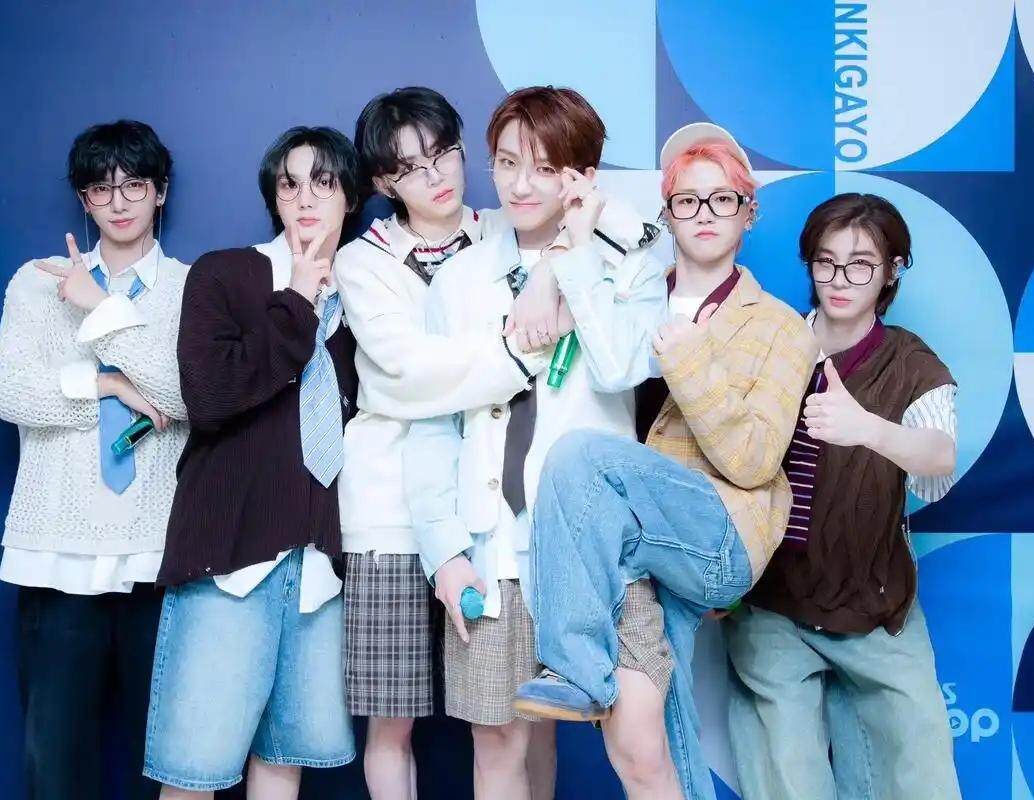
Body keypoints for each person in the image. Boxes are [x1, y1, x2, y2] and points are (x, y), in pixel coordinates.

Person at [335, 86, 654, 800]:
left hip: (592, 542)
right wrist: (445, 550)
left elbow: (625, 343)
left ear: (579, 176)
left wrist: (562, 263)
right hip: (487, 540)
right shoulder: (455, 274)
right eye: (506, 163)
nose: (520, 182)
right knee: (497, 738)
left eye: (542, 166)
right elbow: (429, 417)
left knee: (634, 745)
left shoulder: (617, 248)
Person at [513, 122, 817, 800]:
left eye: (722, 199)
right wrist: (553, 269)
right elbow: (602, 366)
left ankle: (573, 667)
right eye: (687, 200)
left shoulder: (781, 327)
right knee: (645, 744)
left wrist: (688, 356)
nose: (704, 213)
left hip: (719, 533)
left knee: (580, 453)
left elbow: (753, 459)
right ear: (668, 214)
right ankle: (589, 675)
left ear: (748, 213)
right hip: (636, 546)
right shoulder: (636, 291)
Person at [141, 127, 361, 799]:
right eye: (289, 184)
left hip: (318, 566)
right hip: (229, 558)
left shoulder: (366, 295)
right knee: (192, 772)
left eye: (323, 182)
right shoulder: (226, 273)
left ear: (350, 197)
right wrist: (296, 301)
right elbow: (209, 397)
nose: (305, 199)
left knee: (283, 762)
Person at [724, 193, 962, 800]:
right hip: (772, 602)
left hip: (875, 602)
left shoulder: (911, 363)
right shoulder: (771, 343)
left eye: (860, 265)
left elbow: (939, 459)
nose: (839, 279)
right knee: (786, 779)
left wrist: (868, 429)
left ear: (892, 271)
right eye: (826, 262)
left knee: (922, 773)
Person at [0, 119, 188, 800]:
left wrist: (100, 310)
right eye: (102, 189)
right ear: (84, 200)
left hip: (157, 556)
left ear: (161, 192)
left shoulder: (192, 288)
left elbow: (186, 395)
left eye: (135, 186)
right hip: (56, 552)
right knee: (55, 765)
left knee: (168, 765)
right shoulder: (38, 281)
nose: (119, 202)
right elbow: (5, 390)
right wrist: (105, 385)